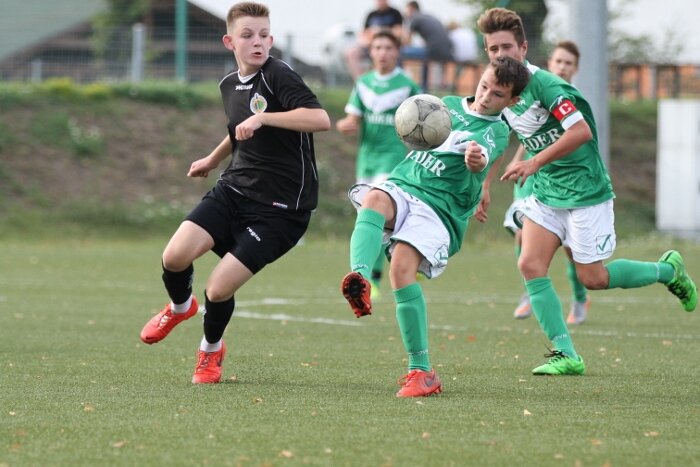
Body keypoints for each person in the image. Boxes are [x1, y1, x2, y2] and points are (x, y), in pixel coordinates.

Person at [476, 7, 697, 376]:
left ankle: (667, 270)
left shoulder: (549, 87)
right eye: (493, 49)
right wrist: (485, 184)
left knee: (592, 278)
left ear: (524, 48)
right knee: (530, 264)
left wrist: (534, 162)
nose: (500, 55)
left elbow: (581, 132)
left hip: (585, 190)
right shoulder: (497, 86)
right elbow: (497, 135)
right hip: (547, 192)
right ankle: (566, 354)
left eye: (506, 48)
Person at [139, 1, 331, 384]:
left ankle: (210, 351)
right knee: (174, 256)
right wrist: (212, 159)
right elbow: (238, 130)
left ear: (271, 40)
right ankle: (180, 306)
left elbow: (320, 119)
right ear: (230, 42)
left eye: (264, 35)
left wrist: (263, 118)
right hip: (234, 190)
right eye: (248, 35)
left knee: (218, 288)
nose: (257, 42)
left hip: (280, 210)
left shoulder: (279, 75)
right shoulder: (229, 84)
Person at [340, 56, 530, 397]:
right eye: (484, 86)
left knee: (401, 268)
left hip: (439, 209)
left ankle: (421, 371)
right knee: (374, 199)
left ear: (512, 101)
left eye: (498, 94)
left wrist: (477, 164)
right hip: (406, 184)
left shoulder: (497, 131)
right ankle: (360, 278)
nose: (486, 97)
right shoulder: (446, 104)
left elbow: (483, 158)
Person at [477, 39, 590, 324]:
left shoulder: (567, 97)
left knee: (570, 247)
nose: (562, 67)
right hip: (531, 173)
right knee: (522, 232)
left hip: (561, 176)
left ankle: (579, 296)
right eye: (558, 61)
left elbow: (574, 137)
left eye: (568, 63)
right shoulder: (531, 90)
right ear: (550, 64)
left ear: (575, 69)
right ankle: (531, 288)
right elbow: (527, 135)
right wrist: (517, 160)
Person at [336, 31, 422, 299]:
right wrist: (345, 125)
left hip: (393, 161)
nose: (383, 52)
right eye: (378, 47)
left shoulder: (407, 85)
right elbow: (350, 120)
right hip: (367, 161)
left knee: (375, 218)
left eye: (388, 47)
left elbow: (423, 122)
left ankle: (372, 279)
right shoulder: (363, 84)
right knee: (376, 223)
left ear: (397, 52)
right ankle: (407, 260)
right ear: (371, 52)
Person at [343, 0, 404, 79]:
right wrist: (368, 40)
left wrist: (380, 30)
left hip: (389, 46)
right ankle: (361, 81)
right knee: (351, 53)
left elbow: (399, 32)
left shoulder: (395, 13)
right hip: (371, 45)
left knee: (384, 52)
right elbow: (363, 34)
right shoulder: (371, 14)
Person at [400, 1, 454, 89]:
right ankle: (424, 87)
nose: (405, 14)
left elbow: (406, 42)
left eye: (406, 11)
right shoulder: (428, 17)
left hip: (434, 51)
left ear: (412, 9)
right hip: (447, 51)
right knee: (425, 56)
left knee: (399, 52)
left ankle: (401, 84)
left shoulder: (415, 18)